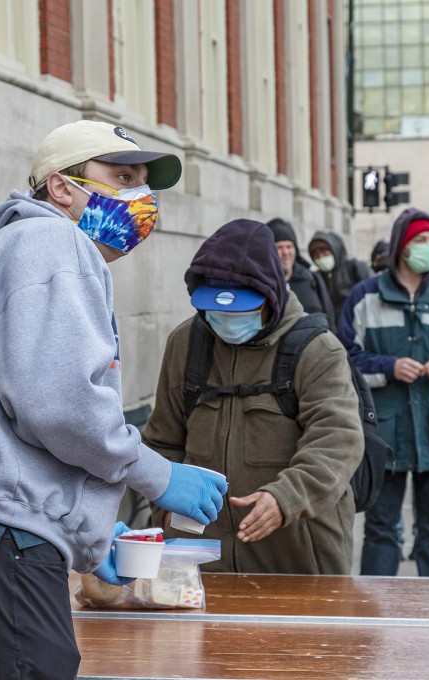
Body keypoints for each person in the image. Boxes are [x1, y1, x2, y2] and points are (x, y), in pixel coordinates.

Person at [0, 120, 228, 680]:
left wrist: (90, 530)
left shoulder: (13, 252)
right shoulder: (55, 242)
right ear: (61, 187)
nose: (141, 199)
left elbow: (16, 417)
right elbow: (60, 406)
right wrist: (157, 474)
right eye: (122, 177)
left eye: (144, 184)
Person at [143, 219, 364, 574]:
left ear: (270, 298)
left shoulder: (317, 350)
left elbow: (338, 441)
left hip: (297, 557)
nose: (228, 321)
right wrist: (162, 503)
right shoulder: (186, 344)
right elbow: (162, 440)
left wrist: (285, 499)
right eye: (216, 312)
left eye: (241, 311)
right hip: (198, 558)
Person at [339, 208, 429, 577]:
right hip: (384, 437)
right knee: (381, 531)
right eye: (421, 240)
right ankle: (375, 618)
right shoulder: (364, 298)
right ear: (401, 246)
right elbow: (342, 362)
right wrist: (388, 368)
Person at [267, 217, 335, 328]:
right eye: (279, 247)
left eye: (289, 246)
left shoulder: (311, 279)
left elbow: (329, 319)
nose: (285, 252)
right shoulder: (264, 284)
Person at [308, 230, 373, 316]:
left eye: (324, 252)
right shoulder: (316, 277)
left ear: (335, 250)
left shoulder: (356, 268)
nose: (320, 257)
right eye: (316, 255)